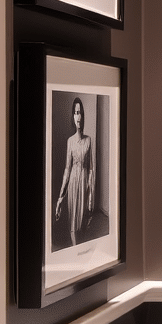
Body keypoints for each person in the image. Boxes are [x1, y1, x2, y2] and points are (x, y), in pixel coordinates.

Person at [55, 97, 94, 246]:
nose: (79, 116)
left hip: (84, 184)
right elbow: (67, 168)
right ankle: (75, 251)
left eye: (81, 113)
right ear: (73, 116)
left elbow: (91, 170)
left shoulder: (89, 140)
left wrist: (91, 197)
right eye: (76, 113)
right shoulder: (70, 141)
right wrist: (60, 197)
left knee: (83, 224)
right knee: (73, 226)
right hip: (72, 185)